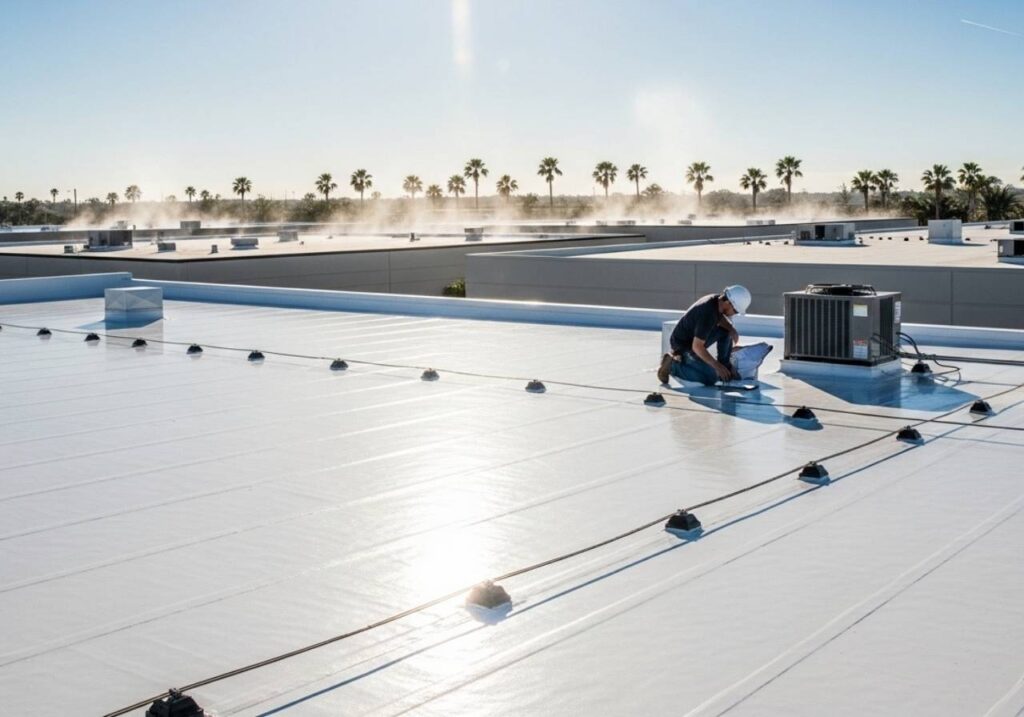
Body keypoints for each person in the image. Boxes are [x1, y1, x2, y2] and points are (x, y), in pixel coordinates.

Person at [657, 285, 752, 386]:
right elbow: (697, 346)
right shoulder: (708, 313)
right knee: (711, 378)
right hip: (683, 345)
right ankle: (672, 366)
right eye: (736, 311)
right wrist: (717, 366)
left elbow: (719, 318)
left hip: (693, 339)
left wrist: (731, 329)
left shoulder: (716, 300)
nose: (734, 314)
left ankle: (726, 365)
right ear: (728, 303)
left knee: (726, 331)